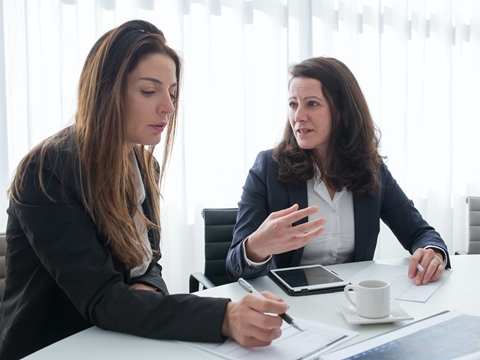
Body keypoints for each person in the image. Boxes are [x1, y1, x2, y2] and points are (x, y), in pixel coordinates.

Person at [0, 20, 288, 360]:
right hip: (54, 347)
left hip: (118, 340)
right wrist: (224, 316)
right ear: (105, 92)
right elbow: (102, 297)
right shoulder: (48, 170)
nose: (168, 106)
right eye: (149, 91)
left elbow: (148, 264)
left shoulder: (143, 165)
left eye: (172, 93)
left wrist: (144, 291)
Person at [226, 56, 450, 285]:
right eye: (293, 104)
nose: (298, 116)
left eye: (312, 103)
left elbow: (419, 233)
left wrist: (433, 252)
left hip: (354, 303)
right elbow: (235, 266)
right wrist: (256, 247)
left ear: (342, 111)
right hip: (289, 304)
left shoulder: (372, 170)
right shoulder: (267, 168)